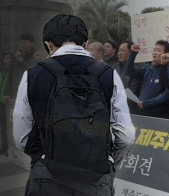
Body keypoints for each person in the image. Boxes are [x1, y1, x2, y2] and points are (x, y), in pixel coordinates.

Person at [13, 14, 135, 196]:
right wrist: (108, 162)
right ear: (85, 44)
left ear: (49, 45)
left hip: (47, 175)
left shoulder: (32, 75)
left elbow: (21, 137)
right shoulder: (108, 74)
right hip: (96, 177)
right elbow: (126, 136)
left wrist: (44, 156)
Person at [125, 40, 169, 119]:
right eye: (154, 50)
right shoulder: (148, 68)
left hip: (159, 115)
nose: (154, 53)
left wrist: (147, 103)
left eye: (158, 50)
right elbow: (129, 72)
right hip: (142, 112)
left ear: (167, 54)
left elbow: (166, 95)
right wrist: (132, 53)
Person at [111, 40, 141, 114]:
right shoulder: (114, 67)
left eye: (122, 50)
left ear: (131, 52)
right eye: (119, 51)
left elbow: (134, 91)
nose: (119, 53)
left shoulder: (135, 69)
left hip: (130, 109)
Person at [4, 33, 36, 100]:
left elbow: (30, 73)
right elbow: (10, 76)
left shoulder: (35, 57)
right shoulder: (14, 57)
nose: (22, 44)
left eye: (25, 42)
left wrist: (21, 61)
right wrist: (7, 93)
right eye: (20, 42)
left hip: (28, 93)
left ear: (31, 44)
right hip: (15, 93)